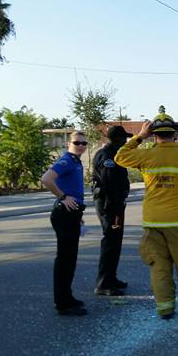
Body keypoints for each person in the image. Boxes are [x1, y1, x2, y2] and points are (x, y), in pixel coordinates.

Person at [115, 107, 178, 319]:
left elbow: (120, 157)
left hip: (153, 222)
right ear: (175, 134)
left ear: (154, 134)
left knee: (159, 268)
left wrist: (139, 137)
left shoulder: (146, 155)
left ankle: (165, 308)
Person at [40, 131, 90, 316]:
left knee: (70, 259)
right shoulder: (67, 160)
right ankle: (62, 302)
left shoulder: (76, 162)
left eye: (84, 143)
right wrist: (63, 197)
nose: (81, 146)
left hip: (72, 214)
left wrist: (78, 213)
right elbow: (46, 179)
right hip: (64, 215)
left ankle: (66, 297)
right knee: (65, 259)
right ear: (69, 142)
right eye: (77, 142)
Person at [92, 125, 132, 296]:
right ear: (118, 139)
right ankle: (103, 283)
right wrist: (116, 206)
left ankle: (111, 278)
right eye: (124, 139)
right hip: (110, 206)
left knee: (115, 243)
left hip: (114, 205)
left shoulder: (114, 154)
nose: (126, 142)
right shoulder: (108, 156)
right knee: (110, 242)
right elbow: (108, 183)